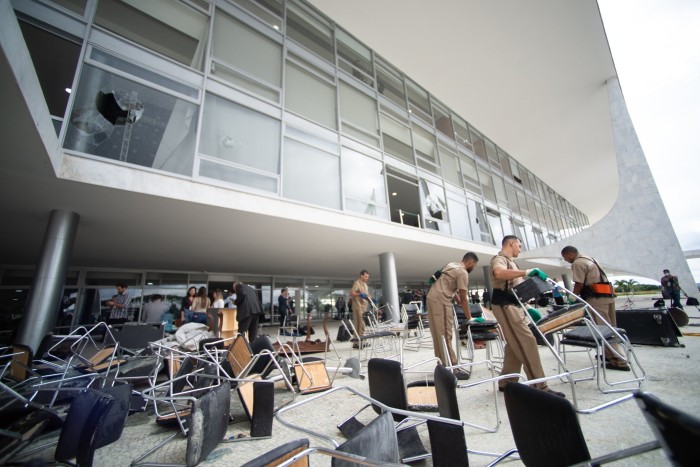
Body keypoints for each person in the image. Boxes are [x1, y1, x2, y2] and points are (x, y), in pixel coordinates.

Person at [490, 235, 565, 397]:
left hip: (514, 305)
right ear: (511, 243)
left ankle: (507, 382)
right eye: (519, 245)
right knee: (526, 340)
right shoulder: (499, 259)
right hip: (505, 305)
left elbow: (519, 288)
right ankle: (540, 386)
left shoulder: (512, 263)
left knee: (514, 343)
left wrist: (528, 306)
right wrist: (527, 271)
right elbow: (498, 273)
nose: (520, 249)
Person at [561, 245, 630, 371]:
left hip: (595, 299)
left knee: (603, 330)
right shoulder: (590, 259)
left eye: (565, 257)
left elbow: (579, 283)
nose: (565, 260)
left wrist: (572, 298)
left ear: (570, 254)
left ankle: (620, 361)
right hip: (606, 296)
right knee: (611, 328)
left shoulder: (578, 263)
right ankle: (610, 356)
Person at [426, 252, 479, 380]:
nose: (474, 268)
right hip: (441, 300)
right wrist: (469, 317)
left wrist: (457, 301)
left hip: (431, 298)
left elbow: (448, 286)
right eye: (475, 265)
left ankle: (441, 364)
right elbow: (464, 297)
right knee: (445, 334)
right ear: (470, 263)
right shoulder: (462, 272)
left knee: (437, 334)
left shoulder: (450, 265)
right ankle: (453, 368)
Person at [350, 270, 371, 340]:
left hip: (364, 307)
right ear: (361, 275)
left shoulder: (365, 285)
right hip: (357, 306)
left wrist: (371, 299)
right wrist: (359, 294)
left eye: (368, 277)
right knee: (359, 324)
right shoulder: (357, 283)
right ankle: (357, 342)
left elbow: (367, 295)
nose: (367, 278)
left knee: (363, 324)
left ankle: (361, 340)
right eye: (366, 276)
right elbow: (352, 293)